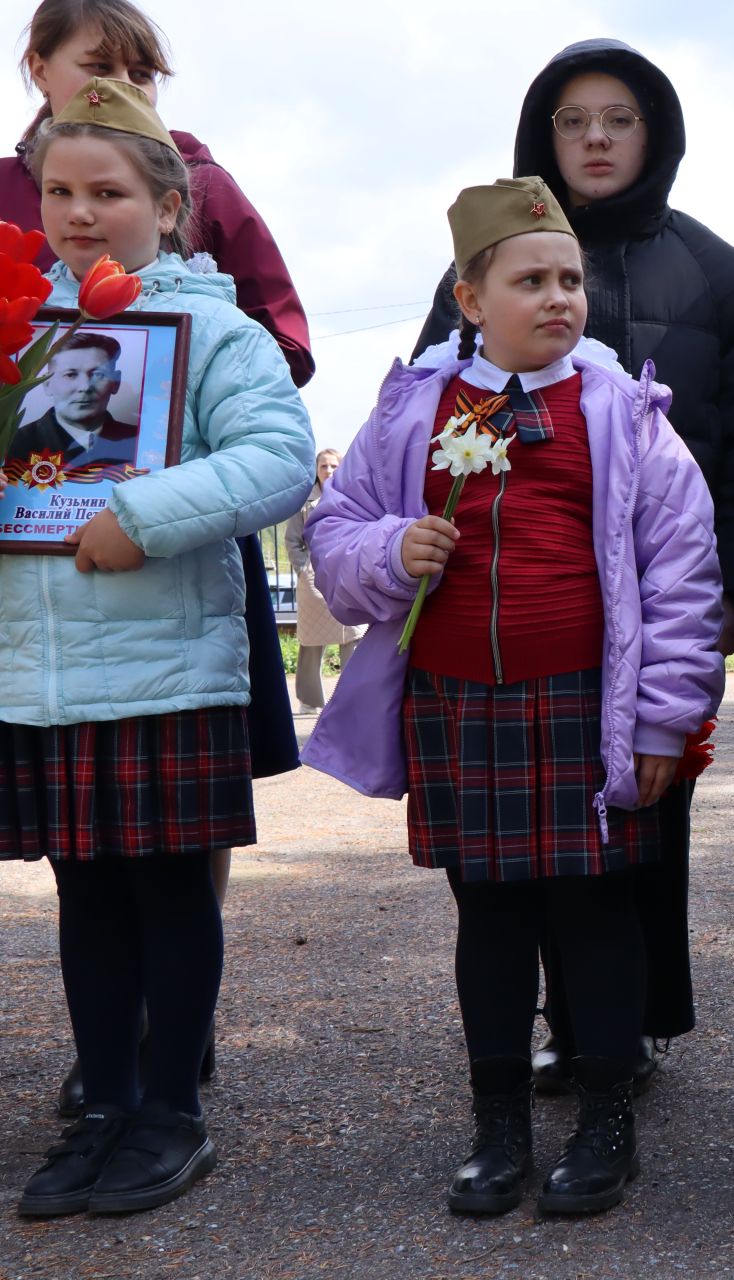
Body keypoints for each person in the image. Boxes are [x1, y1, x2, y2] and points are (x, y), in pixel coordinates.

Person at [305, 178, 724, 1217]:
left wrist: (668, 714)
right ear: (469, 295)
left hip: (586, 702)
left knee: (595, 914)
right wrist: (391, 549)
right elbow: (335, 530)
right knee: (488, 914)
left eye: (571, 279)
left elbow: (683, 568)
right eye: (530, 279)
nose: (558, 298)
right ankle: (498, 1123)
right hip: (460, 704)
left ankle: (605, 1116)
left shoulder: (623, 410)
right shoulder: (417, 405)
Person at [412, 37, 734, 1094]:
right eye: (574, 120)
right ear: (544, 136)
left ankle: (626, 1025)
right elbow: (431, 412)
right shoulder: (475, 270)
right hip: (511, 606)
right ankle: (546, 1024)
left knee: (638, 821)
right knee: (516, 851)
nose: (598, 137)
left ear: (653, 133)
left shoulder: (714, 269)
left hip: (660, 591)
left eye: (620, 118)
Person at [5, 79, 313, 1217]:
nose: (80, 213)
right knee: (84, 895)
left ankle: (172, 1108)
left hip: (168, 664)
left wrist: (139, 519)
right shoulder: (16, 329)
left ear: (172, 205)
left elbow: (279, 455)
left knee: (172, 892)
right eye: (60, 191)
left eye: (110, 192)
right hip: (43, 670)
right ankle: (104, 1105)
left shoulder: (212, 327)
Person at [285, 448, 363, 714]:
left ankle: (351, 697)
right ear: (316, 469)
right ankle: (309, 699)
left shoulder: (352, 495)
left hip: (346, 574)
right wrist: (303, 569)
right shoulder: (303, 502)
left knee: (352, 635)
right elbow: (293, 540)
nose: (329, 471)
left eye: (333, 466)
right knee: (311, 639)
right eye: (324, 466)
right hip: (313, 577)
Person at [7, 334, 139, 465]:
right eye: (70, 375)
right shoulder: (13, 445)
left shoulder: (139, 442)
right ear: (48, 384)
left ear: (116, 382)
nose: (85, 387)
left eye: (98, 374)